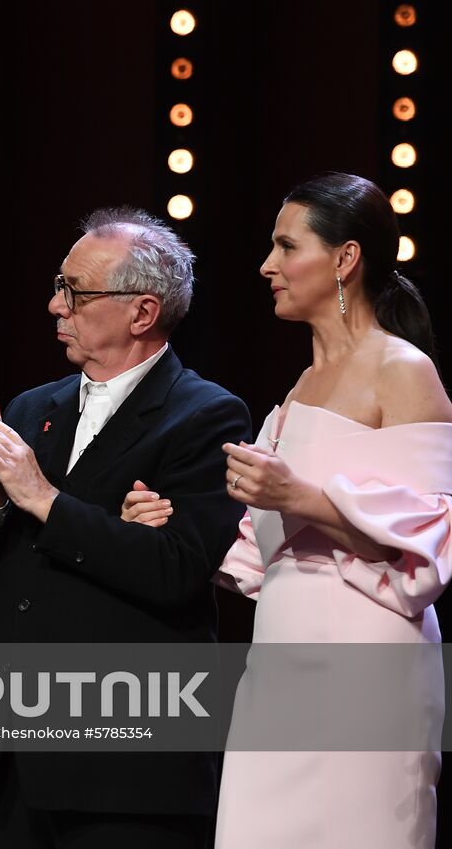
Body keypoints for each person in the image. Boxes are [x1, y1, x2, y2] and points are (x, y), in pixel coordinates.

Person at [125, 173, 452, 848]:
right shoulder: (300, 388)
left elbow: (432, 538)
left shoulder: (403, 369)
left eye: (285, 246)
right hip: (279, 664)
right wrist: (174, 524)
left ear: (345, 259)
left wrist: (296, 495)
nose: (266, 266)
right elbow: (271, 546)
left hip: (366, 667)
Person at [0, 207, 251, 847]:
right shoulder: (32, 408)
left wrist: (44, 498)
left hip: (127, 771)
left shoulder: (204, 416)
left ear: (142, 312)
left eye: (75, 292)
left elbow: (175, 571)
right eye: (59, 286)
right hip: (13, 761)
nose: (56, 305)